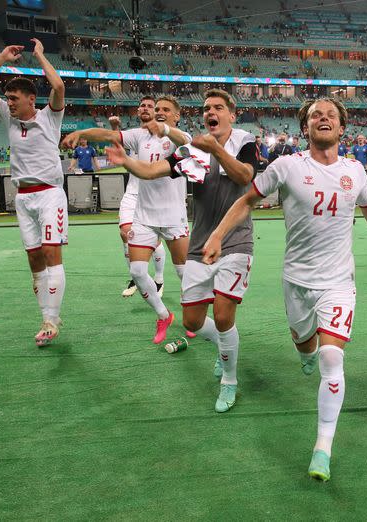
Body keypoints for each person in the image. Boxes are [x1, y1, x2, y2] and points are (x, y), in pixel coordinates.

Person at [202, 98, 367, 481]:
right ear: (306, 127)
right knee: (305, 346)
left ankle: (322, 448)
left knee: (333, 361)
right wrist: (218, 234)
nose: (324, 118)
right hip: (296, 282)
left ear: (342, 127)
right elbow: (246, 200)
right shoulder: (287, 167)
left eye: (331, 114)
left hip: (338, 283)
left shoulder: (355, 172)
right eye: (316, 114)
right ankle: (305, 350)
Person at [105, 89, 258, 413]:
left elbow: (245, 176)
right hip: (200, 245)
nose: (210, 112)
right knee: (192, 320)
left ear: (232, 113)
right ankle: (223, 347)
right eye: (206, 108)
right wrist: (125, 161)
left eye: (218, 107)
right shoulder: (193, 151)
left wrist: (215, 148)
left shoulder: (244, 139)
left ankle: (229, 380)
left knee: (222, 314)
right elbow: (151, 171)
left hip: (236, 240)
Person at [67, 96, 193, 343]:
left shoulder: (182, 138)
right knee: (136, 270)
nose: (159, 112)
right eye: (157, 109)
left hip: (173, 216)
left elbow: (185, 141)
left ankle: (193, 317)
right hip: (144, 215)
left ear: (176, 116)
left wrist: (165, 128)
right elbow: (106, 135)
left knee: (185, 273)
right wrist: (82, 131)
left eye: (166, 110)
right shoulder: (139, 135)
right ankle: (163, 314)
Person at [0, 40, 68, 346]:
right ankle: (46, 318)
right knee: (35, 263)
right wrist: (1, 57)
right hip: (23, 199)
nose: (8, 102)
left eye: (14, 98)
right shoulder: (7, 118)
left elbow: (59, 85)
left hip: (50, 194)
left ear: (31, 99)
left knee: (52, 254)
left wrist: (39, 54)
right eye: (7, 98)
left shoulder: (50, 117)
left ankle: (52, 320)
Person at [62, 98, 168, 299]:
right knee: (125, 233)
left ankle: (159, 279)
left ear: (158, 112)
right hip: (133, 192)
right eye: (142, 105)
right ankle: (137, 278)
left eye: (149, 106)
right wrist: (114, 127)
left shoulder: (164, 137)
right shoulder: (134, 135)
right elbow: (115, 140)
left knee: (154, 240)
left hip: (153, 196)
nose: (144, 108)